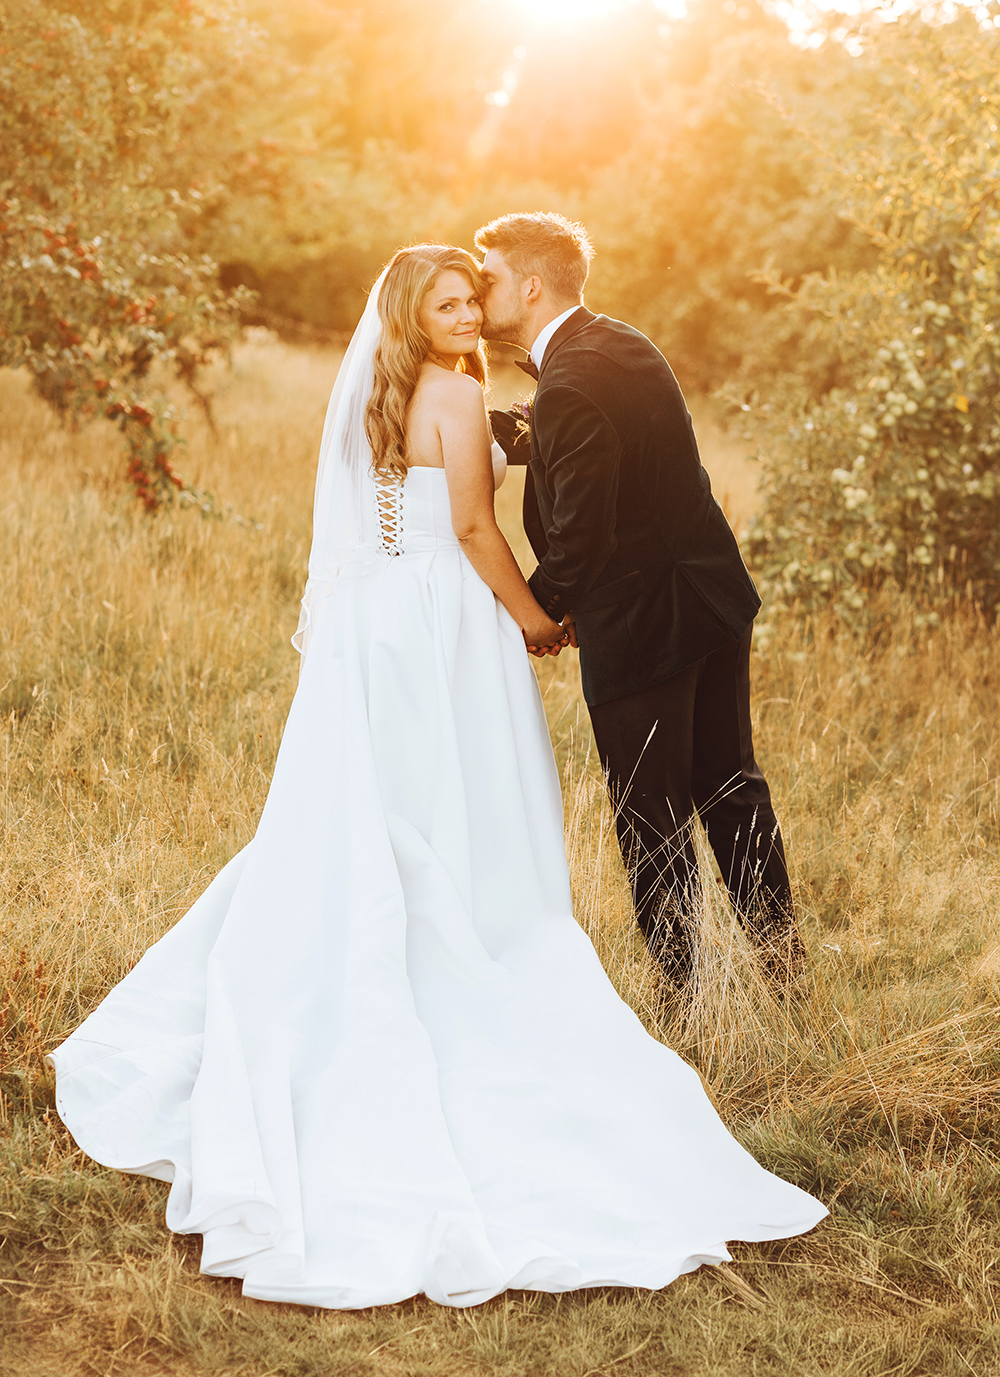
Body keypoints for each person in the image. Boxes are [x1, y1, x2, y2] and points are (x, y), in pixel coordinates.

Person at [49, 244, 825, 1312]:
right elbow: (468, 524)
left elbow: (405, 507)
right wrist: (536, 617)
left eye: (475, 297)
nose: (469, 315)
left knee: (375, 804)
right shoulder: (458, 392)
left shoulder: (379, 388)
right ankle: (474, 931)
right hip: (449, 621)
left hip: (378, 626)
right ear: (418, 314)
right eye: (451, 302)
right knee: (465, 801)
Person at [478, 212, 803, 993]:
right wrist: (516, 432)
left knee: (649, 811)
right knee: (730, 785)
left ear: (529, 285)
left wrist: (538, 613)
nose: (479, 292)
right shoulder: (620, 343)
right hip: (710, 597)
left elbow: (582, 537)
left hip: (643, 620)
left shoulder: (572, 381)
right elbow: (612, 447)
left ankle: (682, 991)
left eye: (487, 279)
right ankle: (783, 965)